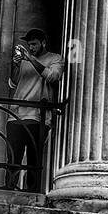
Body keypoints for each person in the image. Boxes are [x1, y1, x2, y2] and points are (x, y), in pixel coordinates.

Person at [6, 28, 65, 192]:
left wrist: (30, 59)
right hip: (16, 114)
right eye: (29, 45)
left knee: (33, 160)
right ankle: (9, 190)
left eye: (34, 44)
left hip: (38, 116)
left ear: (43, 43)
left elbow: (53, 77)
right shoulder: (25, 60)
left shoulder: (55, 58)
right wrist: (16, 64)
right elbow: (12, 83)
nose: (31, 47)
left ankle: (31, 194)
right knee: (12, 158)